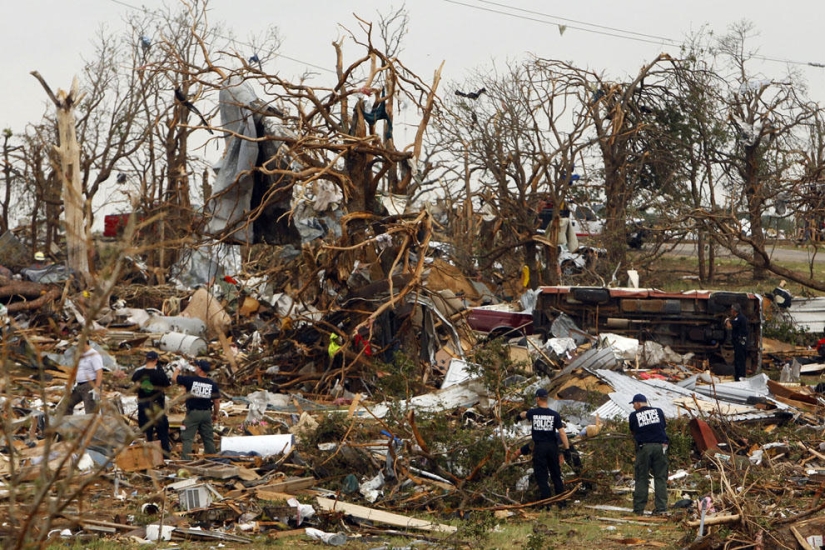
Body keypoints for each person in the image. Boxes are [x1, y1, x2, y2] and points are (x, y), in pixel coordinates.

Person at [513, 388, 570, 506]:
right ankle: (562, 502)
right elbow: (562, 433)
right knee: (556, 474)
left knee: (542, 476)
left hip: (540, 448)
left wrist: (517, 417)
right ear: (546, 399)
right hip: (552, 447)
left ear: (538, 398)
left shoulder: (533, 413)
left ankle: (547, 503)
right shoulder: (555, 415)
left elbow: (524, 414)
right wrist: (567, 449)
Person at [628, 393, 669, 516]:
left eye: (634, 405)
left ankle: (639, 509)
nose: (633, 407)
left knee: (641, 478)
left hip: (645, 447)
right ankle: (661, 509)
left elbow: (633, 431)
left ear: (638, 403)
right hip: (661, 446)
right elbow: (663, 426)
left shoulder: (634, 415)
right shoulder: (659, 411)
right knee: (660, 478)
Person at [172, 359, 220, 460]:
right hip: (206, 413)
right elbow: (216, 402)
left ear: (200, 370)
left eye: (197, 366)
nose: (196, 368)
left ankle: (186, 460)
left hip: (193, 413)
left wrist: (179, 367)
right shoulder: (212, 384)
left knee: (188, 438)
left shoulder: (191, 380)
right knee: (208, 438)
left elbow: (174, 378)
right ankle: (212, 459)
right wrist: (215, 415)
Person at [131, 351, 171, 456]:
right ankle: (165, 455)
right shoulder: (160, 374)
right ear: (156, 360)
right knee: (162, 430)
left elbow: (136, 386)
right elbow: (167, 386)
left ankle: (148, 455)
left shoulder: (138, 373)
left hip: (143, 405)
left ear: (146, 359)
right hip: (156, 404)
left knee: (147, 431)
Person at [63, 340, 104, 415]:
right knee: (66, 405)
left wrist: (97, 388)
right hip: (79, 386)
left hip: (90, 385)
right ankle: (67, 424)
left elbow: (99, 371)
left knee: (90, 411)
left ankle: (91, 426)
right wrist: (72, 383)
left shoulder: (93, 354)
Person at [725, 303, 748, 381]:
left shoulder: (740, 318)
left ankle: (740, 377)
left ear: (735, 310)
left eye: (732, 309)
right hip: (738, 342)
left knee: (740, 360)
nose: (731, 311)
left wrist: (727, 320)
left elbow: (729, 326)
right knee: (738, 360)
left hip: (740, 342)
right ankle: (738, 376)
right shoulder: (738, 318)